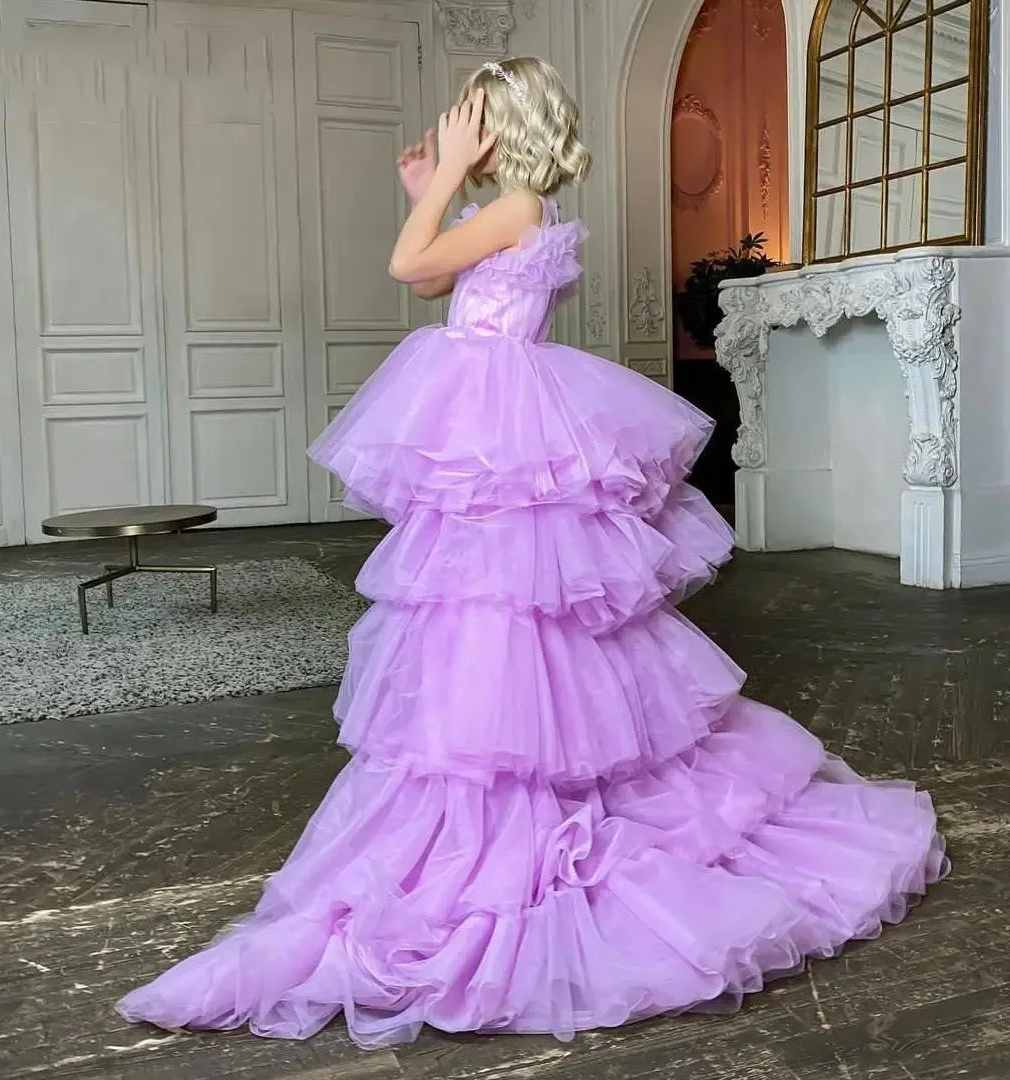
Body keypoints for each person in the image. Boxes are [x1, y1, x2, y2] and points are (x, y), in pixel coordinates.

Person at [117, 57, 946, 1051]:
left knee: (498, 622)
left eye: (471, 123)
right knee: (512, 625)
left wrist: (437, 194)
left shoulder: (513, 209)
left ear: (501, 133)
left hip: (502, 434)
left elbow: (410, 270)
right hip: (506, 434)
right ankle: (523, 770)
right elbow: (453, 264)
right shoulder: (522, 213)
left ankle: (509, 804)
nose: (456, 133)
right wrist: (434, 187)